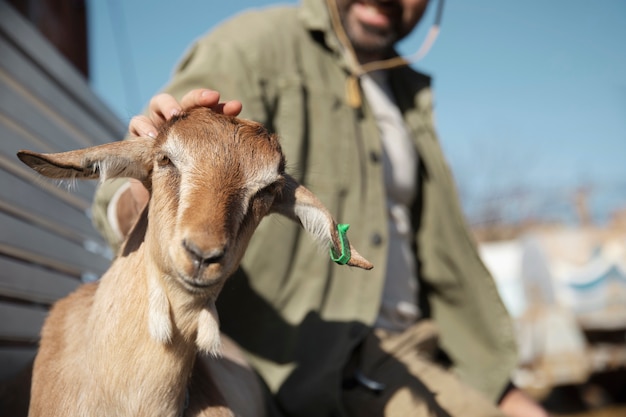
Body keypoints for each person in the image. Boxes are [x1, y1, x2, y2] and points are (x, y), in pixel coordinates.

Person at [92, 0, 548, 416]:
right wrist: (159, 176)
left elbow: (440, 264)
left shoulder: (407, 93)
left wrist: (500, 386)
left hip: (429, 351)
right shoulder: (253, 48)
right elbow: (121, 199)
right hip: (335, 367)